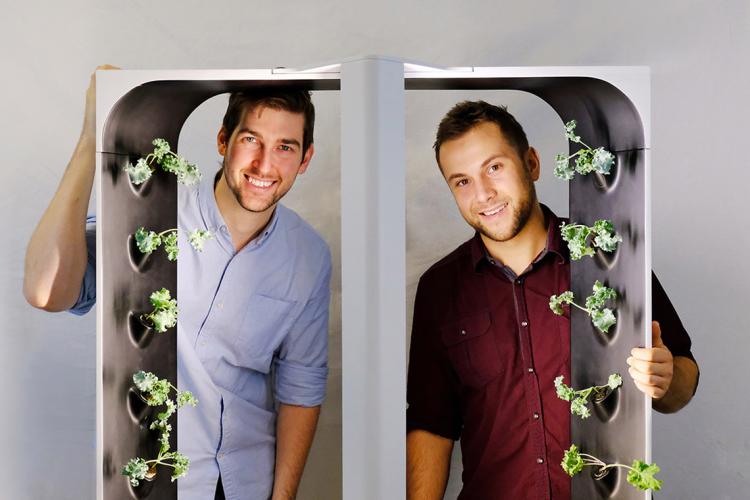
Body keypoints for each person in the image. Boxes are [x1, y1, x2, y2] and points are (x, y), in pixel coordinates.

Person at [23, 67, 332, 500]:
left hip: (245, 484)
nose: (265, 164)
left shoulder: (310, 256)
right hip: (150, 483)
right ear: (223, 141)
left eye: (284, 147)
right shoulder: (149, 213)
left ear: (305, 158)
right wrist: (94, 136)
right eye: (251, 141)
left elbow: (302, 387)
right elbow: (45, 291)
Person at [405, 100, 700, 500]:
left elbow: (682, 378)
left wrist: (665, 379)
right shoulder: (440, 288)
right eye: (462, 181)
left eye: (494, 167)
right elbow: (430, 424)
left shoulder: (609, 257)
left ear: (532, 163)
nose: (484, 194)